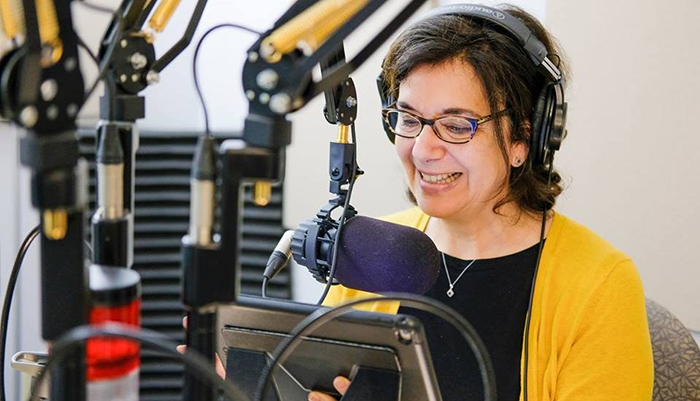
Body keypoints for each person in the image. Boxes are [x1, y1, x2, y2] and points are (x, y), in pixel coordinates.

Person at [308, 3, 653, 401]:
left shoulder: (601, 285)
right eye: (408, 119)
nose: (422, 150)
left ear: (524, 138)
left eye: (456, 126)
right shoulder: (368, 251)